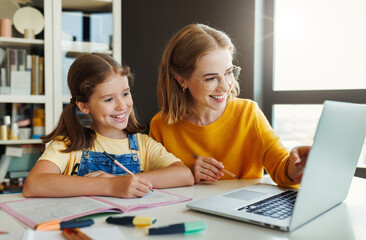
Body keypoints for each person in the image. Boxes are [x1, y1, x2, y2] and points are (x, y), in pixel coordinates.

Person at [149, 23, 310, 186]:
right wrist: (188, 174)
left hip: (243, 209)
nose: (225, 86)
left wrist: (297, 164)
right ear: (181, 79)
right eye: (211, 78)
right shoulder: (161, 126)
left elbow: (280, 168)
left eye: (229, 73)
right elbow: (150, 185)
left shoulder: (249, 113)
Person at [23, 53, 194, 198]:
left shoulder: (144, 145)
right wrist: (110, 185)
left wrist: (129, 181)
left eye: (125, 94)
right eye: (109, 99)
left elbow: (184, 175)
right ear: (84, 106)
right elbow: (33, 184)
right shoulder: (69, 143)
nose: (122, 105)